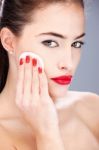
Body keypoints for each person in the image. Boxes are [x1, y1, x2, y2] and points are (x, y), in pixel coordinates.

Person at [0, 0, 99, 149]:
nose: (68, 63)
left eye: (76, 44)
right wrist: (46, 133)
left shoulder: (91, 109)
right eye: (50, 42)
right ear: (9, 41)